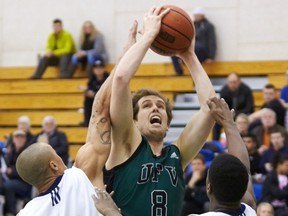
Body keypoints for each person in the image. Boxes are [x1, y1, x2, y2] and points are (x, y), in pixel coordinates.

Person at [15, 20, 139, 216]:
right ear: (54, 165)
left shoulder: (26, 213)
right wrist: (128, 52)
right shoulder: (77, 177)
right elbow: (102, 106)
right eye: (54, 152)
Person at [105, 6, 217, 216]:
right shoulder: (125, 146)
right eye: (146, 105)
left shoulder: (178, 154)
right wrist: (149, 36)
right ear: (134, 121)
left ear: (167, 123)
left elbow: (211, 108)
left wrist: (189, 56)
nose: (155, 107)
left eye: (160, 106)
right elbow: (120, 80)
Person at [94, 98, 257, 216]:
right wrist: (229, 125)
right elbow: (245, 170)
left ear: (209, 187)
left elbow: (245, 171)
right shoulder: (249, 211)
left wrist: (110, 211)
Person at [213, 73, 254, 140]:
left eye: (234, 82)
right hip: (229, 115)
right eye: (230, 82)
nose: (232, 85)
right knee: (217, 122)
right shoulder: (224, 91)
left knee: (245, 121)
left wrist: (237, 114)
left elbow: (250, 107)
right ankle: (215, 142)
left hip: (243, 114)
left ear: (239, 82)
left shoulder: (246, 90)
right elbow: (222, 106)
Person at [2, 130, 31, 216]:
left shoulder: (28, 152)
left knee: (8, 185)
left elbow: (26, 169)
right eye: (17, 137)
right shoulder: (10, 151)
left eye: (21, 137)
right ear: (13, 139)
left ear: (25, 139)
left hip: (25, 183)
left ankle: (11, 212)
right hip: (12, 180)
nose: (19, 139)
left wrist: (11, 171)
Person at [80, 56, 110, 127]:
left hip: (106, 100)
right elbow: (90, 90)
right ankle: (88, 122)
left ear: (104, 69)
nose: (98, 70)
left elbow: (108, 92)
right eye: (96, 68)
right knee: (87, 100)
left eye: (100, 68)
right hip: (95, 100)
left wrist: (95, 94)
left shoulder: (108, 79)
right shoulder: (91, 80)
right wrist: (87, 91)